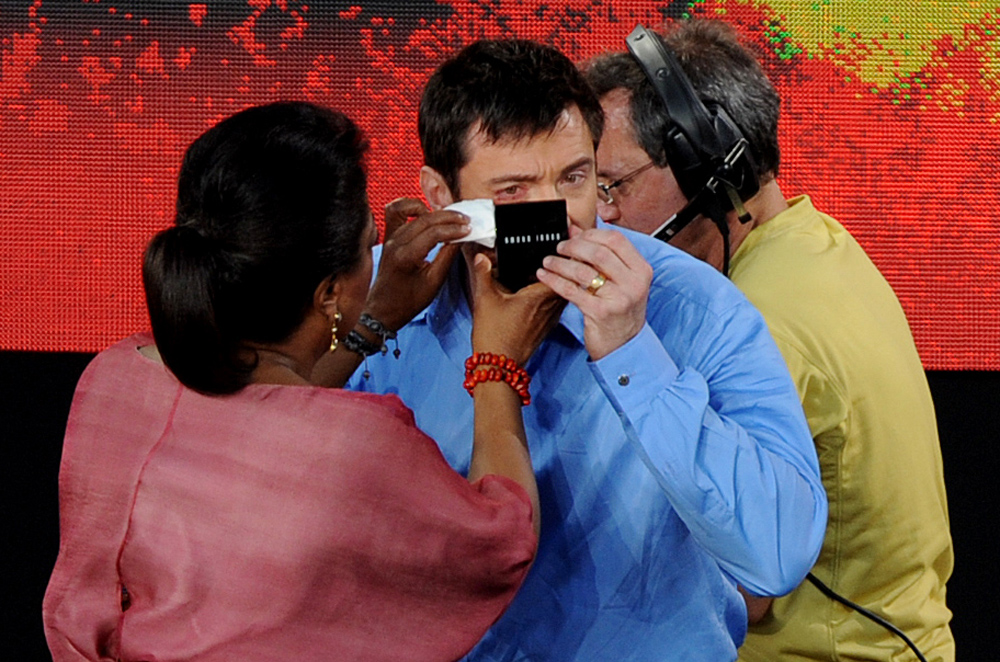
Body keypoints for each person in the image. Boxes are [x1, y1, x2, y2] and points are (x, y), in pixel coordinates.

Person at [347, 39, 828, 661]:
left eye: (575, 178)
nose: (557, 216)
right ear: (441, 196)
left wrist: (633, 355)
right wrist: (368, 328)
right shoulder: (381, 295)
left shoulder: (696, 307)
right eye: (514, 191)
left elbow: (778, 555)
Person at [42, 101, 561, 662]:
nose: (379, 252)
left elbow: (264, 414)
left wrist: (373, 318)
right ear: (328, 293)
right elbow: (501, 540)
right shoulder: (357, 446)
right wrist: (496, 361)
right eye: (369, 245)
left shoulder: (113, 380)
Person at [584, 20, 954, 662]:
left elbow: (745, 589)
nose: (600, 215)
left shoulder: (758, 318)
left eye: (611, 184)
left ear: (705, 168)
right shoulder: (815, 244)